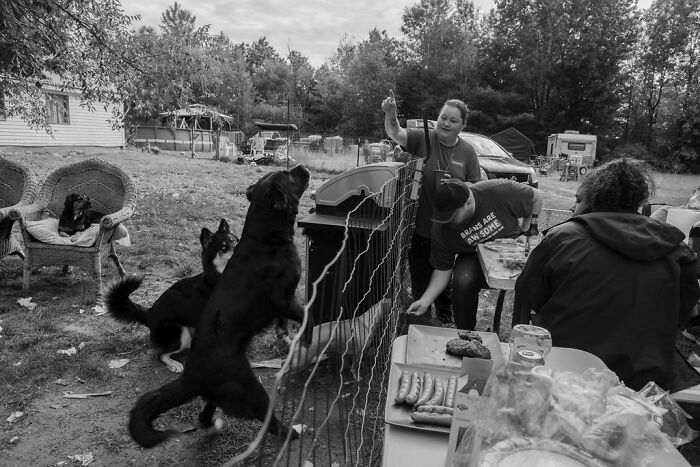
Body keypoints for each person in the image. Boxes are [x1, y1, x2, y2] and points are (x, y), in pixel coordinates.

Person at [513, 158, 700, 391]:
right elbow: (683, 315)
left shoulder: (562, 238)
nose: (574, 208)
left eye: (578, 200)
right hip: (645, 382)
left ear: (593, 200)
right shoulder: (677, 249)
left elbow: (529, 295)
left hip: (567, 375)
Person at [381, 92, 481, 322]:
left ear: (463, 125)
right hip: (420, 226)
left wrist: (457, 185)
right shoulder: (423, 137)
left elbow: (475, 187)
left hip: (449, 229)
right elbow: (395, 132)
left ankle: (445, 319)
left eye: (453, 120)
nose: (446, 123)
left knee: (445, 277)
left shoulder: (467, 152)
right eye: (443, 117)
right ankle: (421, 319)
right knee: (421, 276)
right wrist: (390, 113)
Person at [405, 178, 543, 330]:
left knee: (535, 279)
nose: (448, 222)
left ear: (468, 202)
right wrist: (425, 300)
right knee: (462, 281)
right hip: (473, 255)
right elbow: (442, 270)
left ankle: (526, 331)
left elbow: (536, 197)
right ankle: (466, 333)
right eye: (444, 217)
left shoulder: (499, 191)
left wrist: (526, 232)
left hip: (509, 248)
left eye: (453, 216)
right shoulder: (441, 229)